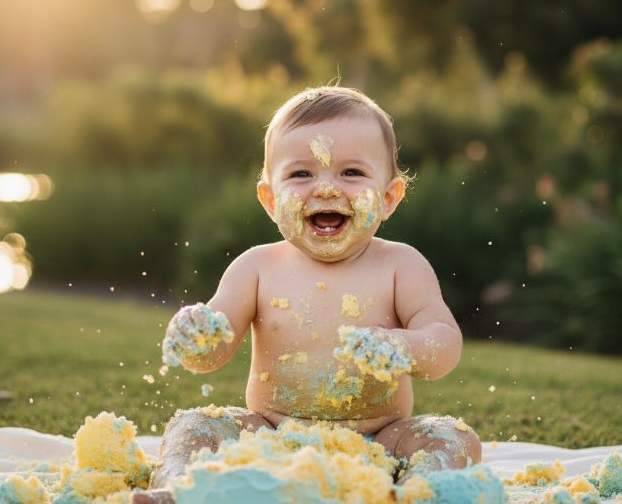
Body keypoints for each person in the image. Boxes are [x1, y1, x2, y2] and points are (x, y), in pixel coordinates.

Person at [135, 86, 481, 503]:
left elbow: (444, 344)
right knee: (193, 425)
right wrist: (197, 336)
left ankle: (414, 495)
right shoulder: (256, 267)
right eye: (301, 174)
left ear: (389, 198)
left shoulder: (401, 266)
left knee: (453, 437)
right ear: (269, 199)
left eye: (351, 173)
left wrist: (403, 347)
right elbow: (214, 351)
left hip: (380, 443)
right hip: (269, 438)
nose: (328, 189)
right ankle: (181, 490)